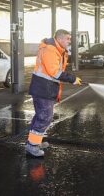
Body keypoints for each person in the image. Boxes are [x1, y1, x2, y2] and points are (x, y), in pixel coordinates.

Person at [26, 29, 82, 157]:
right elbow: (54, 72)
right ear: (60, 39)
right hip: (43, 88)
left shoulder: (56, 49)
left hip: (45, 88)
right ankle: (32, 146)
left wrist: (72, 79)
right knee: (45, 117)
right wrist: (72, 79)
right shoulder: (51, 50)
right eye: (68, 39)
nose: (69, 41)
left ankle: (34, 142)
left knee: (41, 116)